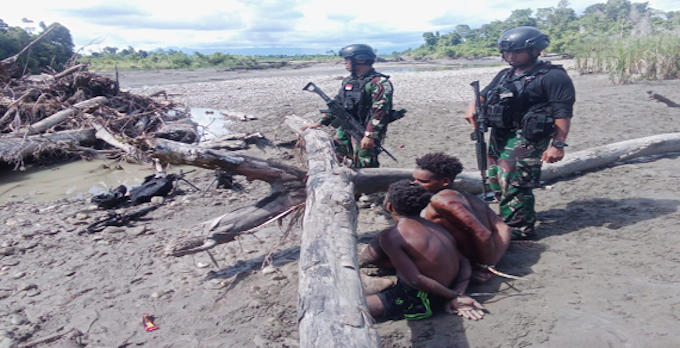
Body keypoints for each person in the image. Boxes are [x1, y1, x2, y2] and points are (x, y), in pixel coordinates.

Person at [464, 26, 576, 240]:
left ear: (535, 50)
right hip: (501, 131)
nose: (510, 56)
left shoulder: (553, 76)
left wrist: (558, 144)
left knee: (513, 175)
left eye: (516, 52)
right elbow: (484, 95)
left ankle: (520, 228)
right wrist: (473, 106)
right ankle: (510, 215)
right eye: (506, 52)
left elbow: (563, 112)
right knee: (494, 176)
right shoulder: (505, 75)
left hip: (530, 133)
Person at [361, 180, 486, 322]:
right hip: (446, 287)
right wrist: (458, 291)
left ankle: (371, 279)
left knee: (355, 308)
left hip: (422, 299)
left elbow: (416, 280)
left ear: (389, 206)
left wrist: (455, 297)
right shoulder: (436, 227)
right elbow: (464, 262)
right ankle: (375, 281)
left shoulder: (392, 237)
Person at [413, 152, 512, 282]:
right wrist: (493, 260)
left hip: (460, 260)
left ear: (445, 182)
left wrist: (484, 266)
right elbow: (504, 228)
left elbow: (483, 234)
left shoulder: (441, 200)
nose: (414, 184)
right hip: (478, 255)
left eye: (423, 181)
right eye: (414, 179)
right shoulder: (470, 198)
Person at [301, 44, 394, 168]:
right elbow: (338, 104)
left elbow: (380, 111)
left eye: (347, 60)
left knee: (364, 162)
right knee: (339, 158)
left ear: (360, 60)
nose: (344, 63)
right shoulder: (348, 81)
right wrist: (321, 122)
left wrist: (370, 135)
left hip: (364, 130)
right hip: (345, 127)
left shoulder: (379, 83)